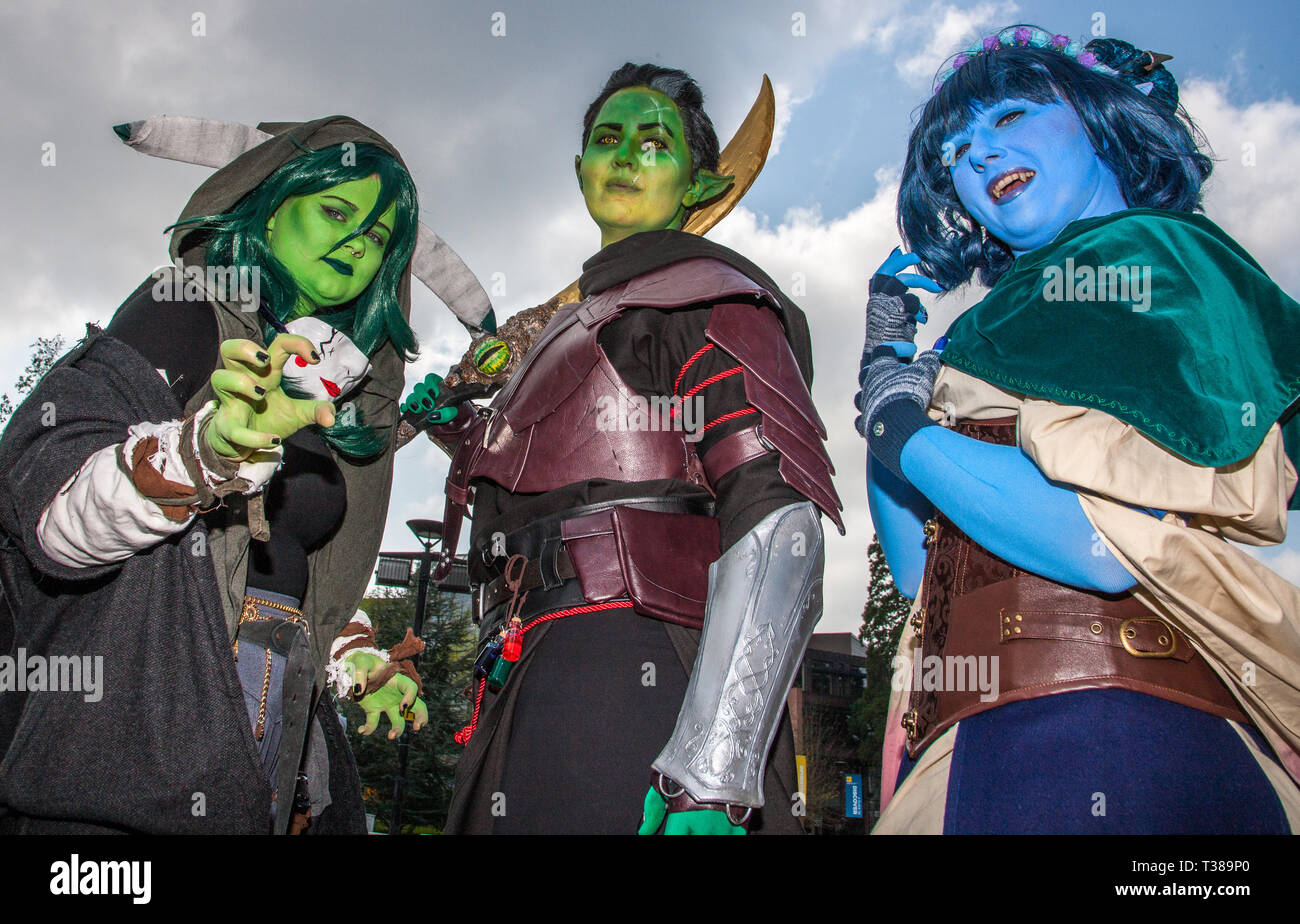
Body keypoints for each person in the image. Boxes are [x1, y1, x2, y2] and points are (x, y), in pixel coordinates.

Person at [857, 26, 1300, 833]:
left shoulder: (1147, 263)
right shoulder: (990, 332)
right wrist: (890, 358)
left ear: (1100, 121)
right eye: (955, 149)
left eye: (1011, 117)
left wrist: (898, 423)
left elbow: (1095, 551)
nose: (979, 156)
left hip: (1111, 730)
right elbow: (922, 577)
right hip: (973, 738)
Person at [407, 63, 843, 834]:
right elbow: (558, 472)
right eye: (609, 140)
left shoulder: (709, 293)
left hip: (634, 663)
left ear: (701, 186)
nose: (627, 157)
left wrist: (712, 771)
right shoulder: (575, 325)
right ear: (580, 171)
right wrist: (462, 433)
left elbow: (779, 524)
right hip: (522, 663)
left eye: (655, 143)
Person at [0, 116, 432, 834]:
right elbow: (53, 518)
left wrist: (361, 665)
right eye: (335, 210)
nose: (357, 240)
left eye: (379, 236)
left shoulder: (318, 388)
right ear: (270, 201)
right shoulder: (182, 308)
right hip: (132, 740)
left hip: (269, 720)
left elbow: (290, 569)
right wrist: (206, 452)